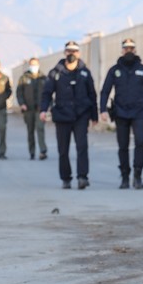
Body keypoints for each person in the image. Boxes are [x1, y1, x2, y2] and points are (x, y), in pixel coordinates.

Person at [99, 38, 143, 189]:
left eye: (131, 48)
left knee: (140, 141)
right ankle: (125, 176)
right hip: (121, 112)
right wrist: (103, 109)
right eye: (126, 48)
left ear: (135, 50)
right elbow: (105, 90)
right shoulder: (114, 70)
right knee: (123, 145)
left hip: (139, 112)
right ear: (122, 50)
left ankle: (137, 175)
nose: (129, 51)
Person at [40, 41, 98, 189]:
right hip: (62, 115)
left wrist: (94, 116)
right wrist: (43, 110)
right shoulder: (55, 73)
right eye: (69, 51)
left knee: (82, 147)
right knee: (63, 150)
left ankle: (82, 177)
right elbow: (47, 93)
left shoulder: (85, 72)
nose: (72, 54)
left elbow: (92, 94)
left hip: (81, 115)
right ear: (65, 53)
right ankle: (66, 178)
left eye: (75, 51)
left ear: (79, 53)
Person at [16, 57, 48, 160]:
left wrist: (47, 106)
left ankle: (43, 151)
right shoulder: (24, 78)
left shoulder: (43, 78)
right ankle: (32, 151)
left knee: (40, 128)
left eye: (35, 64)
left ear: (38, 65)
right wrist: (22, 104)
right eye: (32, 64)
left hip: (40, 109)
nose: (34, 66)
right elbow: (19, 92)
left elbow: (48, 93)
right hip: (28, 109)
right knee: (30, 131)